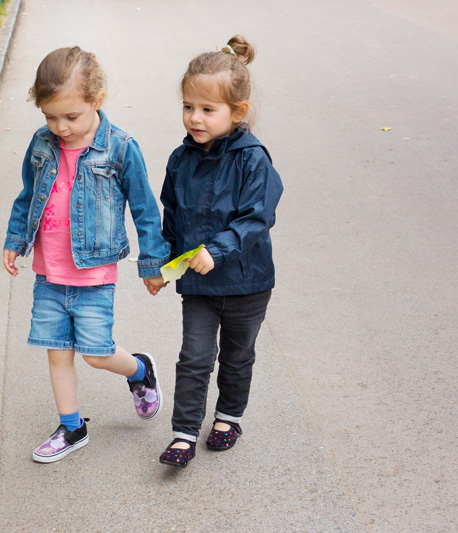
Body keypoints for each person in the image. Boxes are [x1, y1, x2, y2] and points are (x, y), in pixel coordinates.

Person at [3, 46, 170, 463]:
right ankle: (72, 427)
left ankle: (139, 370)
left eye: (71, 116)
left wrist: (152, 265)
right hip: (49, 275)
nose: (60, 127)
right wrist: (14, 240)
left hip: (94, 276)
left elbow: (146, 210)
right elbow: (28, 196)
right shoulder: (42, 144)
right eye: (50, 116)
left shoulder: (120, 149)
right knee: (58, 353)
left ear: (97, 101)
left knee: (96, 355)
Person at [157, 36, 283, 467]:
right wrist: (163, 264)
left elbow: (255, 216)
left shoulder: (253, 160)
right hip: (199, 283)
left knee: (236, 354)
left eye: (208, 109)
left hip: (247, 283)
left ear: (238, 112)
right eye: (188, 106)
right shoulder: (180, 159)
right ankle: (183, 433)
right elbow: (170, 213)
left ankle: (228, 417)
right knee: (194, 357)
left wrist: (218, 248)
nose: (195, 117)